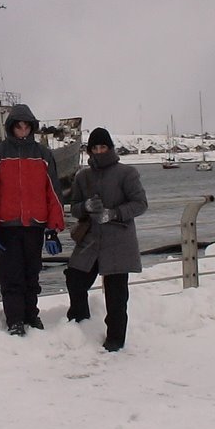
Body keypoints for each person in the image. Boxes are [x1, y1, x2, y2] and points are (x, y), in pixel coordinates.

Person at [0, 104, 66, 336]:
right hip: (7, 227)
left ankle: (31, 315)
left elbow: (54, 192)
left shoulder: (44, 155)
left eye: (27, 125)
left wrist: (53, 226)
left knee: (32, 273)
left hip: (34, 226)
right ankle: (15, 320)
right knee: (10, 276)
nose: (23, 129)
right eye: (19, 125)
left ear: (32, 127)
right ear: (12, 127)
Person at [65, 127, 147, 351]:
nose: (99, 151)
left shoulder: (126, 173)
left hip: (118, 241)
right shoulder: (83, 176)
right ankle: (81, 325)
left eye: (103, 147)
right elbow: (74, 209)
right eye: (95, 148)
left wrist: (114, 213)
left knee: (116, 295)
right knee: (75, 279)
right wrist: (86, 207)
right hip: (91, 240)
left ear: (110, 148)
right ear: (90, 150)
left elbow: (140, 204)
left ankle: (115, 340)